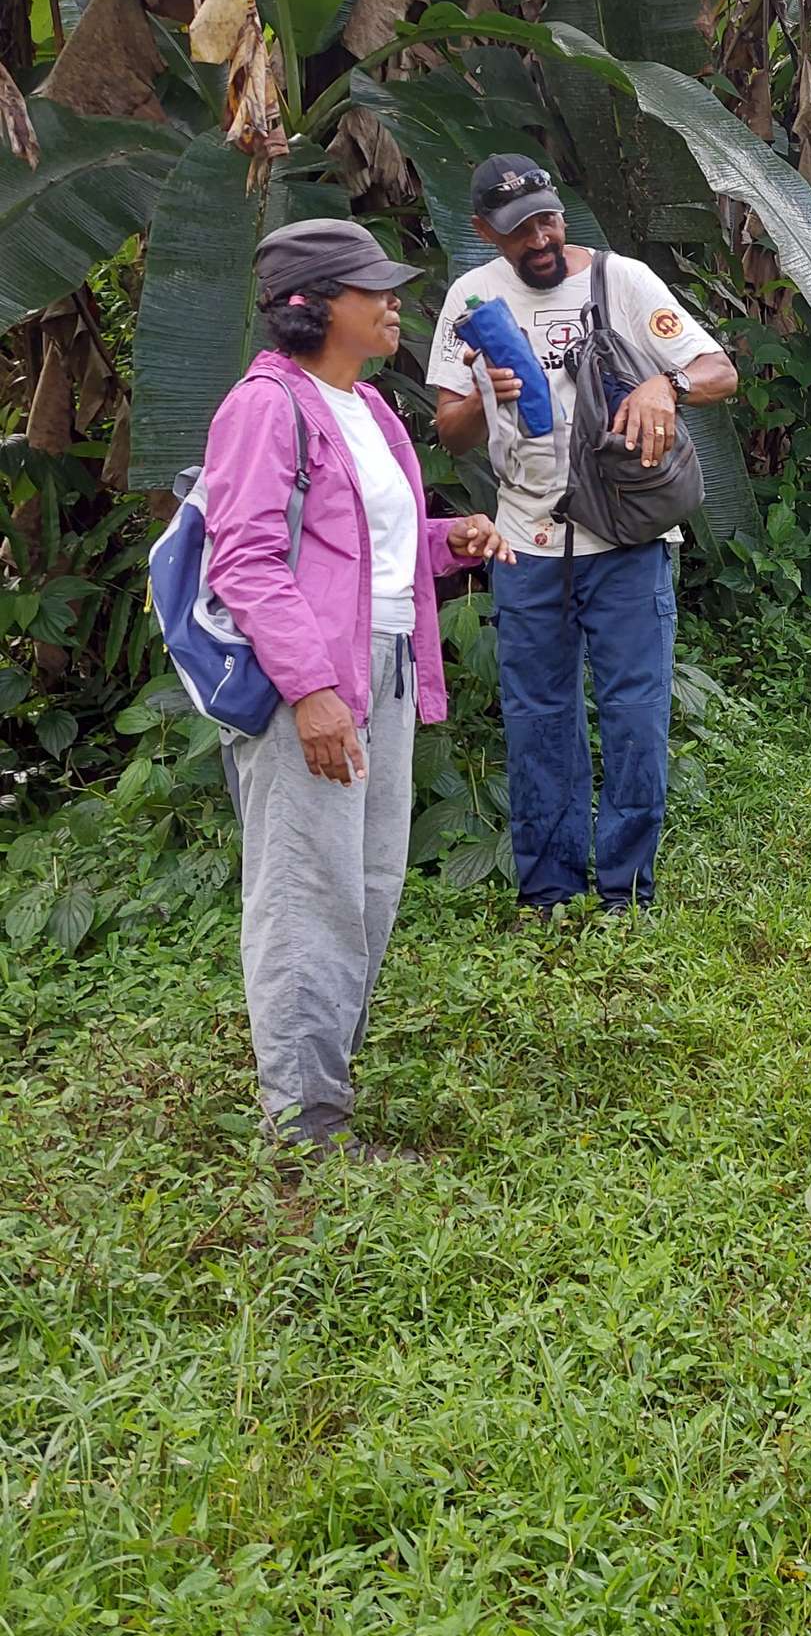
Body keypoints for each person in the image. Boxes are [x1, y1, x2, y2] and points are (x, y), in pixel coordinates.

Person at [203, 219, 512, 1161]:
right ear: (314, 306)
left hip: (386, 666)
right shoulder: (264, 407)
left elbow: (363, 550)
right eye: (370, 288)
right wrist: (311, 691)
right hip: (315, 683)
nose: (393, 302)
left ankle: (320, 1095)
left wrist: (449, 539)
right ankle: (307, 1132)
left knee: (370, 885)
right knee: (309, 894)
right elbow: (246, 560)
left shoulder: (368, 406)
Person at [428, 157, 738, 914]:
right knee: (537, 719)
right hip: (524, 542)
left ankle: (626, 894)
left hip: (627, 542)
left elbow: (720, 370)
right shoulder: (471, 299)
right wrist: (483, 395)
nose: (539, 239)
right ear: (485, 233)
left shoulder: (620, 280)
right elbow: (450, 431)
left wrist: (667, 384)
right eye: (518, 230)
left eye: (547, 220)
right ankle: (549, 894)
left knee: (635, 718)